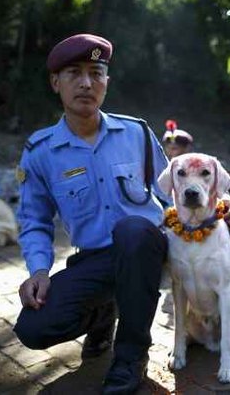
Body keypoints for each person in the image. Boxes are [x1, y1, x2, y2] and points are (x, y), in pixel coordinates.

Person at [12, 33, 170, 394]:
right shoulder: (40, 152)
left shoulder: (138, 133)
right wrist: (38, 270)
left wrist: (206, 226)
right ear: (56, 82)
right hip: (95, 259)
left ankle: (131, 356)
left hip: (146, 249)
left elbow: (170, 195)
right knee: (33, 329)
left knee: (133, 231)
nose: (86, 83)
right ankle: (104, 311)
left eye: (96, 72)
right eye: (74, 73)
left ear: (107, 82)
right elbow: (34, 220)